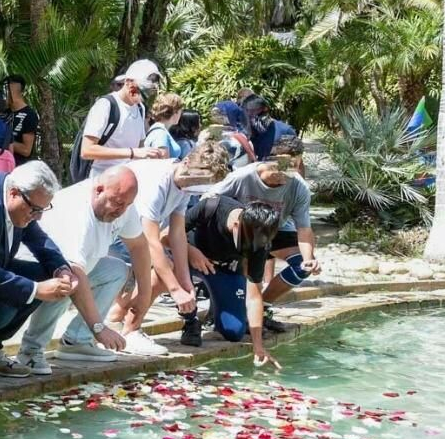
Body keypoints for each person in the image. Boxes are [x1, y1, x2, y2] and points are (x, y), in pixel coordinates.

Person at [18, 166, 151, 369]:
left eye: (127, 205)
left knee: (116, 270)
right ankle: (31, 350)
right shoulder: (78, 211)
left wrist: (144, 296)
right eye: (117, 203)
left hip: (78, 267)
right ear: (98, 190)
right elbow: (74, 271)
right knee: (67, 283)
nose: (122, 211)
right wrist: (99, 327)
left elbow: (139, 245)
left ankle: (77, 341)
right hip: (35, 268)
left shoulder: (122, 203)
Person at [104, 143, 232, 353]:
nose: (199, 186)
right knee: (161, 270)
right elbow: (151, 241)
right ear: (187, 162)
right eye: (199, 180)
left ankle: (117, 321)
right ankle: (130, 328)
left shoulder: (186, 184)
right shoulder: (159, 181)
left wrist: (185, 282)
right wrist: (175, 289)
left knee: (171, 270)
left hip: (130, 231)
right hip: (113, 229)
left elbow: (177, 233)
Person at [0, 162, 76, 377]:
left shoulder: (22, 201)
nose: (38, 216)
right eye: (36, 210)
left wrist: (61, 270)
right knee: (6, 308)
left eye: (43, 210)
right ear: (14, 193)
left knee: (45, 275)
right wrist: (35, 290)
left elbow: (40, 241)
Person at [209, 140, 320, 329]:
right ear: (271, 160)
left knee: (302, 266)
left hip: (277, 231)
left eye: (295, 165)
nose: (290, 171)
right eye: (286, 165)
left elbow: (303, 228)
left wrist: (309, 259)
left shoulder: (299, 187)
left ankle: (264, 306)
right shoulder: (243, 176)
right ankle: (229, 310)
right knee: (247, 275)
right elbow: (209, 202)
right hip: (243, 232)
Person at [180, 195, 284, 367]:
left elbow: (254, 295)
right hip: (188, 259)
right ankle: (189, 321)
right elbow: (165, 237)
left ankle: (216, 312)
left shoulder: (260, 243)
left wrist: (258, 347)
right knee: (169, 265)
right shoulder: (212, 207)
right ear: (237, 224)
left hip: (223, 270)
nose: (250, 247)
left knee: (234, 331)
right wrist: (190, 251)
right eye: (247, 242)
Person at [73, 60, 166, 178]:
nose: (143, 96)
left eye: (148, 92)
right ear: (127, 82)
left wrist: (152, 153)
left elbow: (140, 148)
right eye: (140, 90)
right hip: (100, 179)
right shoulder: (106, 105)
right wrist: (131, 153)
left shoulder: (140, 108)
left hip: (126, 179)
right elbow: (87, 151)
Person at [1, 74, 40, 164]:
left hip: (18, 169)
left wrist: (2, 141)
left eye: (7, 91)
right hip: (0, 167)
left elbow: (26, 150)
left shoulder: (29, 115)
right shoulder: (3, 113)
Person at [143, 92, 192, 160]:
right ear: (175, 111)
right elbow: (162, 163)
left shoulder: (159, 130)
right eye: (181, 111)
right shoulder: (160, 133)